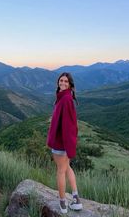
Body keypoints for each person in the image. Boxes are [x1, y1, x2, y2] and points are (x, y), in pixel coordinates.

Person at [46, 72, 83, 213]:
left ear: (70, 85)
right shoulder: (64, 97)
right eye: (61, 80)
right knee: (67, 168)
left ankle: (62, 203)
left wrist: (68, 146)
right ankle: (76, 199)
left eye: (66, 81)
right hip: (64, 143)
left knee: (60, 171)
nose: (62, 83)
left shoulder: (66, 99)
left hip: (60, 144)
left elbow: (68, 126)